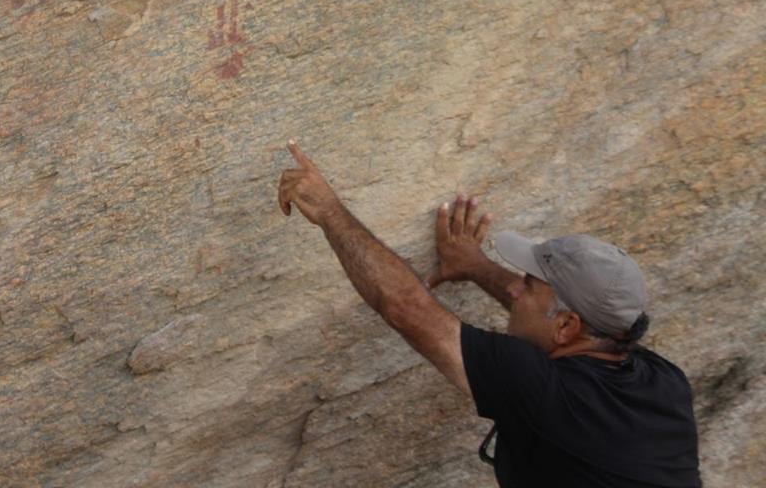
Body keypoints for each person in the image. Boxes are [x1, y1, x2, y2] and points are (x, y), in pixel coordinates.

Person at [278, 139, 701, 487]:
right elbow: (551, 322)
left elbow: (406, 309)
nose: (515, 287)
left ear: (569, 325)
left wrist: (330, 211)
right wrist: (475, 267)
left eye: (528, 284)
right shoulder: (660, 380)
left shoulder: (544, 391)